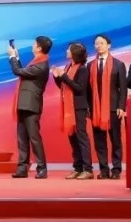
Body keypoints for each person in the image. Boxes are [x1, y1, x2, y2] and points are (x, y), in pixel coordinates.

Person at [8, 36, 51, 179]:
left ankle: (42, 168)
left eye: (34, 44)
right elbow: (23, 71)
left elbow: (18, 71)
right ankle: (22, 168)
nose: (32, 46)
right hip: (23, 103)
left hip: (31, 105)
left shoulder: (41, 65)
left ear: (39, 48)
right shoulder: (37, 63)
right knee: (22, 138)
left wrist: (12, 57)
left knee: (34, 138)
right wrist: (17, 58)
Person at [89, 33, 128, 180]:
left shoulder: (118, 64)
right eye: (96, 43)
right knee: (99, 141)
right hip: (96, 108)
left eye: (102, 43)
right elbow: (88, 89)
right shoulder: (90, 65)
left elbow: (123, 89)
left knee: (115, 140)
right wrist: (89, 107)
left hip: (113, 108)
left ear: (109, 45)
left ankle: (116, 169)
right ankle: (104, 169)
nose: (99, 46)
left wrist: (121, 107)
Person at [52, 42, 93, 180]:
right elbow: (64, 86)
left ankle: (88, 169)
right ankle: (78, 168)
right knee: (72, 138)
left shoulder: (82, 69)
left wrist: (64, 76)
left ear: (74, 52)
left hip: (78, 107)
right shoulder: (68, 66)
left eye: (69, 49)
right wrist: (57, 77)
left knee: (81, 137)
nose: (66, 51)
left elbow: (79, 88)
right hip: (68, 106)